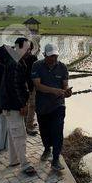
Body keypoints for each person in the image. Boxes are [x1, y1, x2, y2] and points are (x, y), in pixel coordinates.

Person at [31, 43, 72, 171]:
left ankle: (55, 159)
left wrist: (67, 92)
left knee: (58, 132)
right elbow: (37, 86)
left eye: (55, 56)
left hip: (58, 105)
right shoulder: (37, 66)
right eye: (51, 56)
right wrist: (55, 90)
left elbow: (65, 86)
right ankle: (47, 148)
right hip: (42, 105)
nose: (53, 59)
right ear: (44, 55)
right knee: (44, 131)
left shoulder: (62, 67)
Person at [0, 37, 37, 176]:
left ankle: (14, 160)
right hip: (13, 105)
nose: (29, 52)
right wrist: (22, 104)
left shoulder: (15, 60)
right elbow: (15, 87)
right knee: (20, 134)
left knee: (13, 133)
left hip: (10, 104)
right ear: (19, 47)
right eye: (27, 49)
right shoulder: (14, 63)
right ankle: (25, 164)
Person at [22, 41, 39, 136]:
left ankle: (29, 124)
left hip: (30, 84)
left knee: (31, 105)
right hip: (26, 84)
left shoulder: (33, 58)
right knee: (27, 105)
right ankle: (26, 125)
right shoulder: (20, 59)